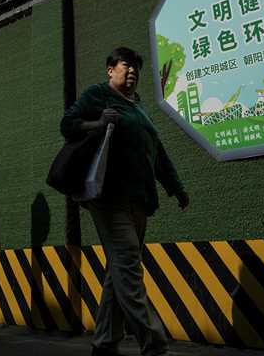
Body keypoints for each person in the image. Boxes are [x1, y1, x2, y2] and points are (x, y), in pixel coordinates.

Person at [61, 47, 188, 356]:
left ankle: (104, 342)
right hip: (108, 196)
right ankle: (154, 344)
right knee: (129, 262)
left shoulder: (139, 107)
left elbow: (157, 153)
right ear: (110, 69)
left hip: (139, 200)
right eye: (125, 65)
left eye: (136, 68)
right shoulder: (98, 95)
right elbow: (67, 124)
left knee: (118, 268)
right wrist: (97, 123)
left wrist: (176, 188)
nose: (132, 71)